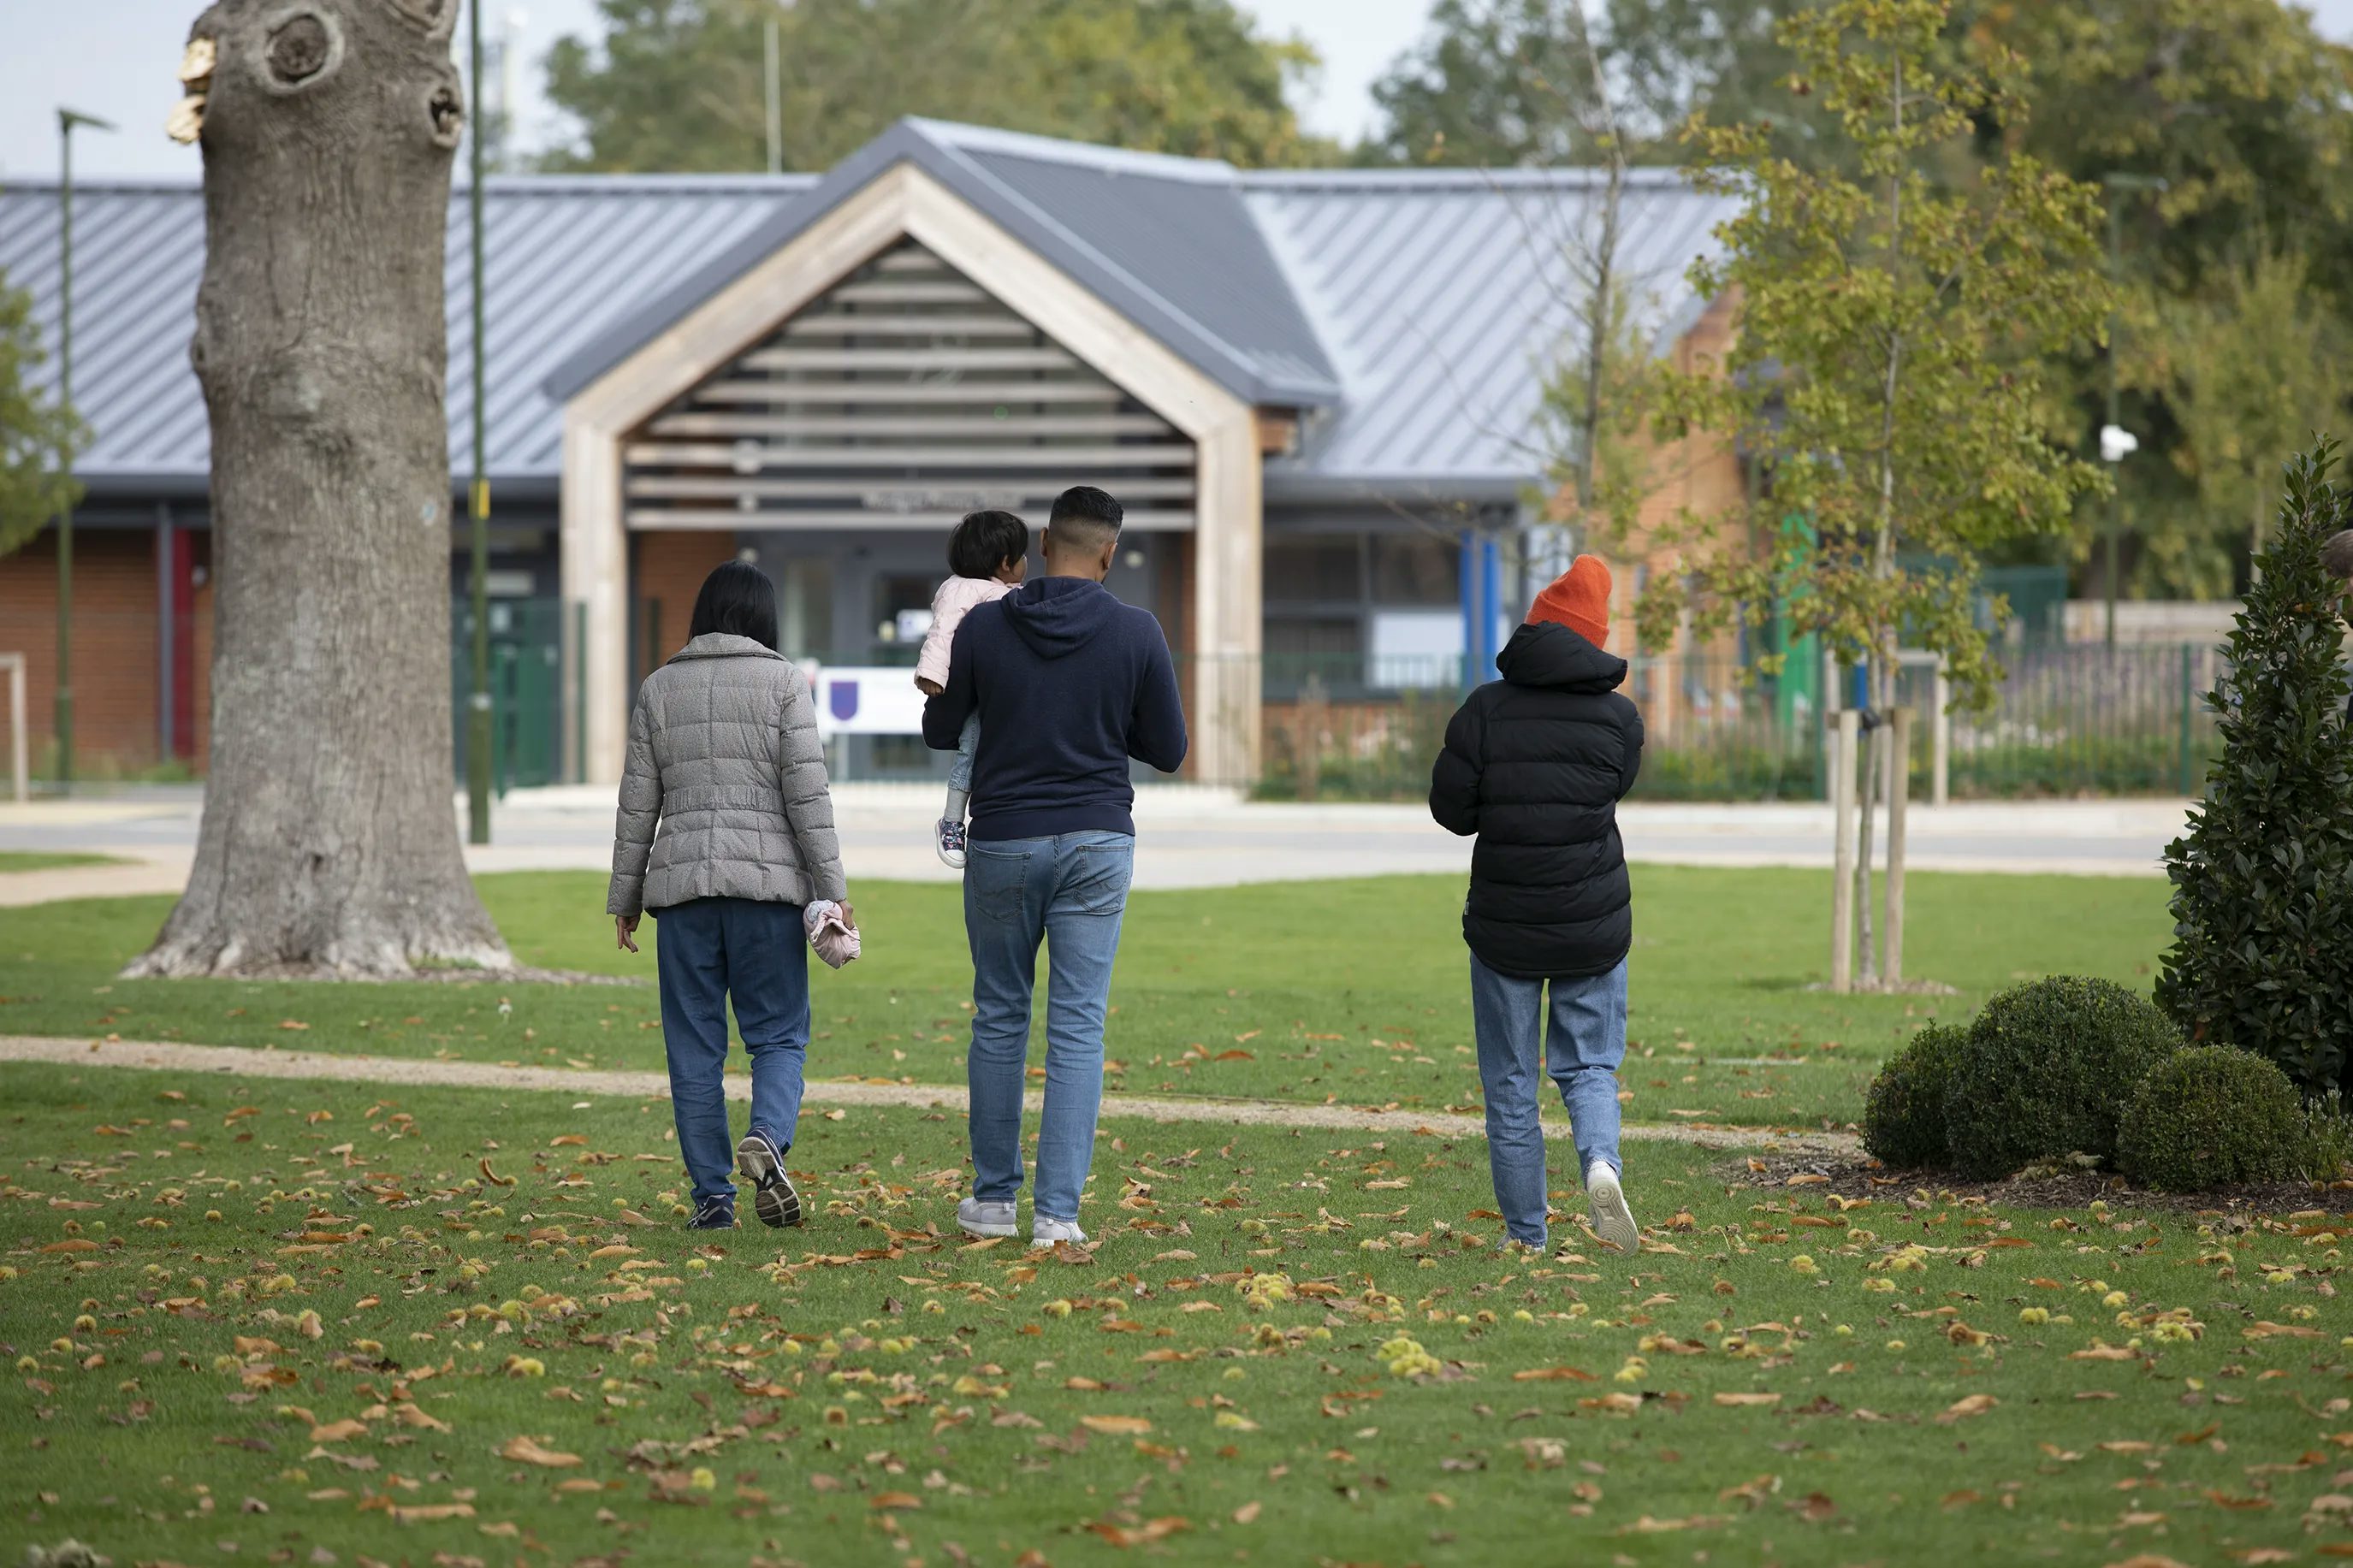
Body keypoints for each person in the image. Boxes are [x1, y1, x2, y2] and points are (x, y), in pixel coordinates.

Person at [922, 485, 1188, 1247]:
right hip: (1097, 842)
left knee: (1000, 1015)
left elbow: (943, 727)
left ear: (1043, 542)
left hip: (1004, 838)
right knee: (1078, 1025)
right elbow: (1167, 749)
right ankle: (1058, 1215)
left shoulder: (983, 625)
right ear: (1108, 552)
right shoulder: (1137, 631)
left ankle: (993, 1200)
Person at [608, 560, 850, 1232]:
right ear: (766, 618)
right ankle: (767, 1137)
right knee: (777, 1036)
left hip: (681, 896)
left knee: (693, 1049)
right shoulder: (782, 684)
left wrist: (626, 896)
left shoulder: (659, 689)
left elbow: (637, 805)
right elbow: (808, 795)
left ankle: (712, 1198)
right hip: (767, 895)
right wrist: (832, 891)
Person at [1429, 555, 1644, 1256]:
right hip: (1592, 923)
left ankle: (1527, 1236)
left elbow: (1451, 811)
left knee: (1512, 1082)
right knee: (1589, 1066)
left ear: (1536, 628)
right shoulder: (1620, 720)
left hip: (1505, 928)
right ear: (1595, 637)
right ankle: (1601, 1162)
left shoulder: (1484, 710)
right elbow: (1611, 793)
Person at [915, 510, 1030, 869]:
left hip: (1004, 691)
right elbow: (942, 632)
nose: (1029, 562)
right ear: (1006, 562)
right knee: (972, 747)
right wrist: (932, 674)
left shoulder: (1012, 592)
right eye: (1023, 555)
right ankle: (951, 819)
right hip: (977, 697)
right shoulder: (962, 589)